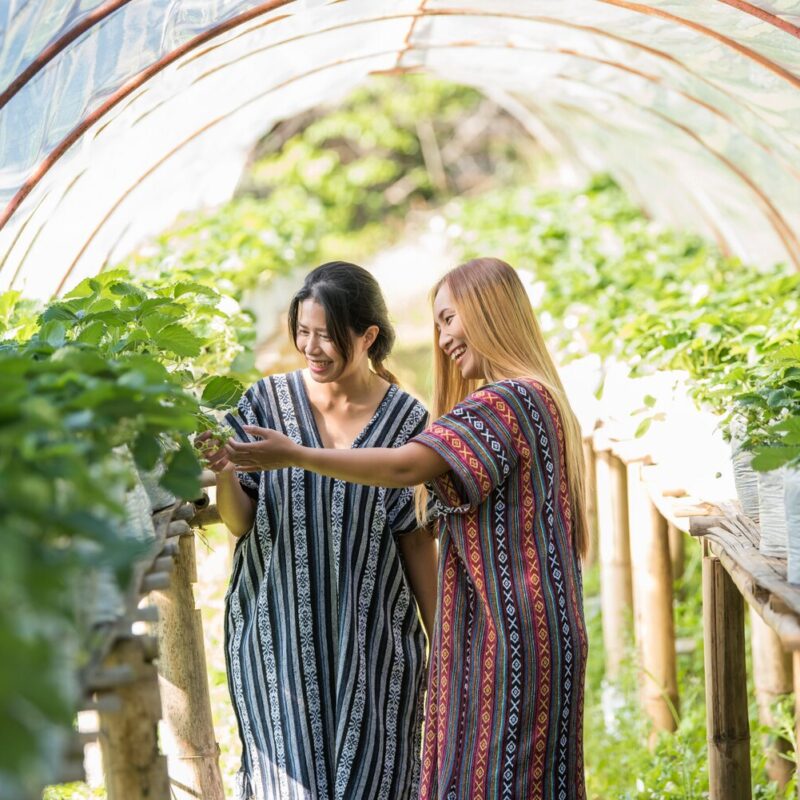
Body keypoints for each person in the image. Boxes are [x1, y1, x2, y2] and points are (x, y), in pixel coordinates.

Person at [224, 257, 589, 799]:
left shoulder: (505, 401)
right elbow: (240, 519)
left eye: (449, 319)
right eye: (303, 332)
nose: (441, 338)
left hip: (502, 626)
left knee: (490, 782)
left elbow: (402, 468)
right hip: (528, 622)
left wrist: (296, 455)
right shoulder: (538, 398)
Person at [199, 261, 438, 800]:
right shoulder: (263, 404)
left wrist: (442, 640)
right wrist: (225, 471)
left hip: (375, 647)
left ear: (368, 335)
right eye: (302, 332)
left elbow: (417, 541)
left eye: (327, 336)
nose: (311, 347)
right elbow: (241, 524)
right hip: (276, 636)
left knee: (376, 781)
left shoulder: (405, 422)